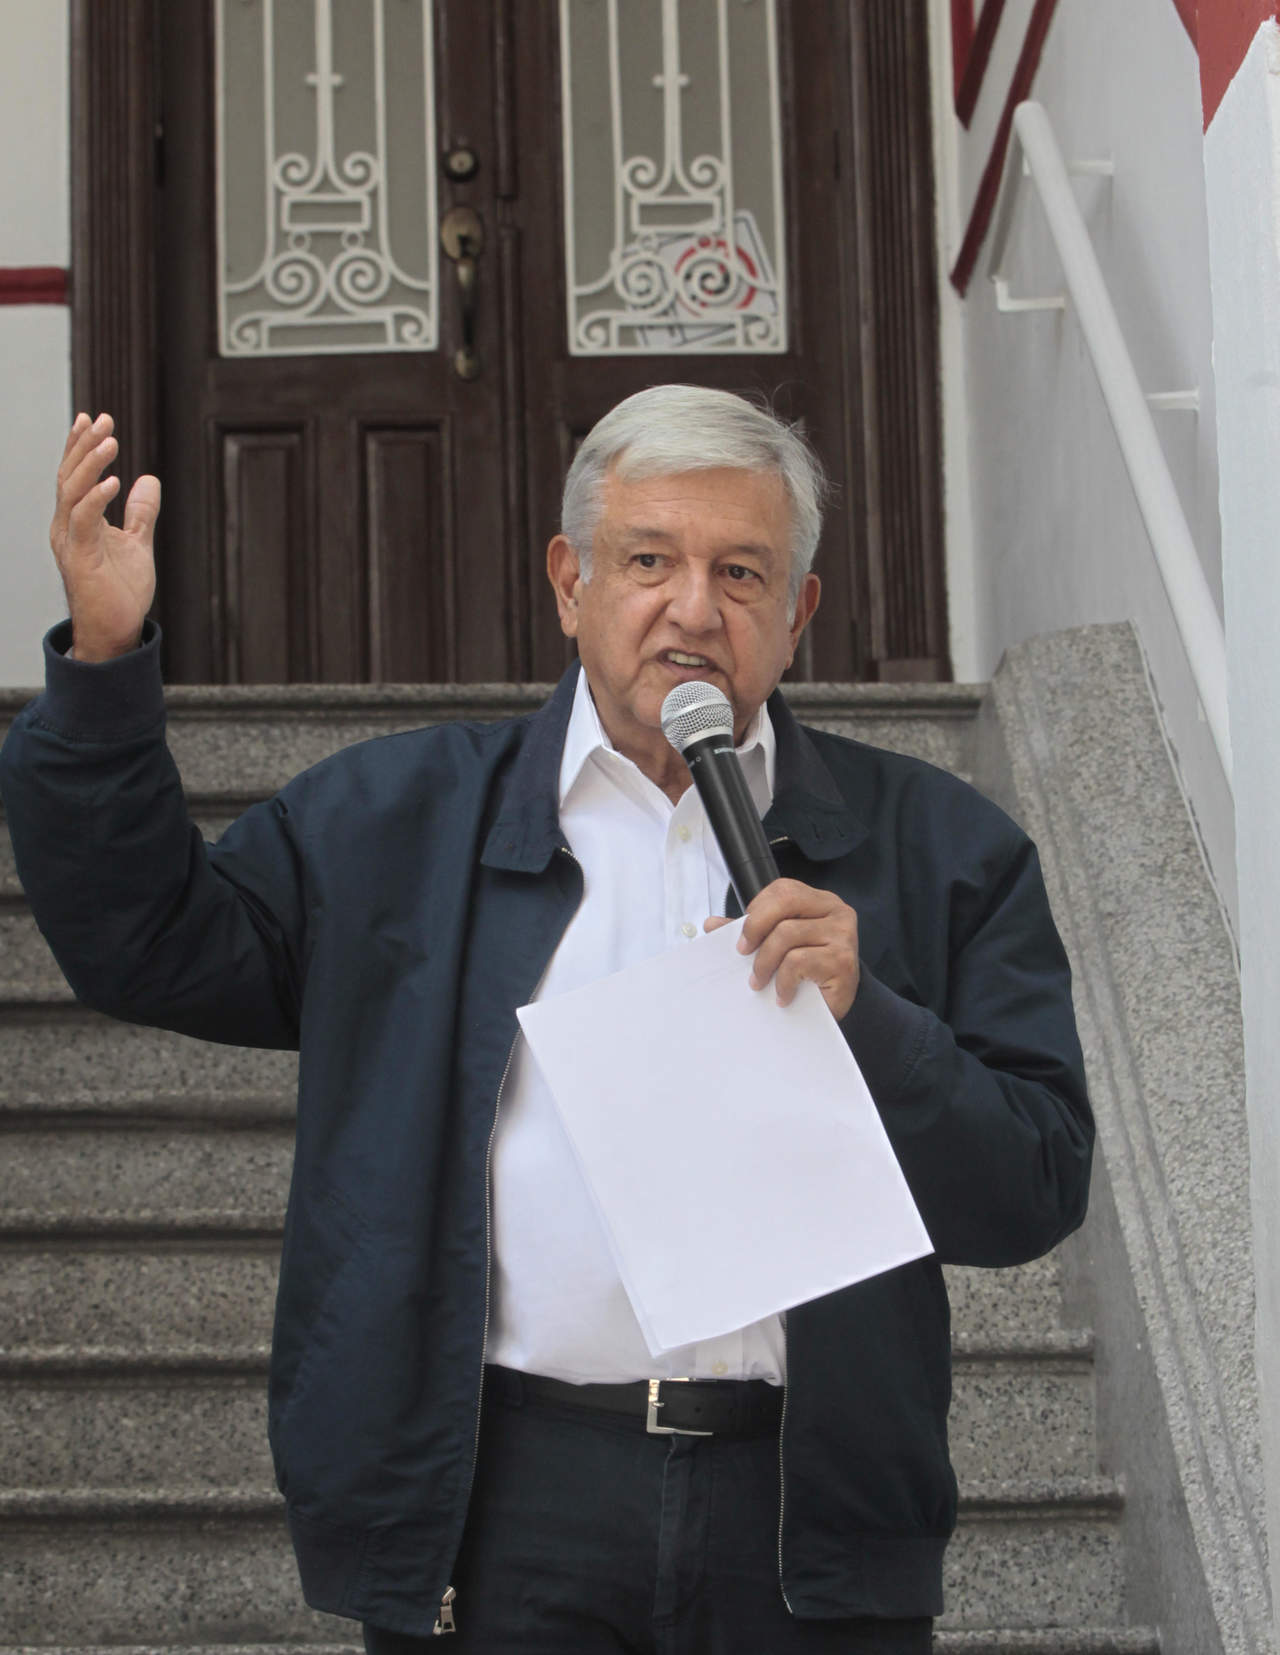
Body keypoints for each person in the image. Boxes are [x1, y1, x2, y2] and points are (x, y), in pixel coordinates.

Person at [0, 386, 1093, 1653]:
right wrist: (103, 663)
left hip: (810, 1518)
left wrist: (875, 1025)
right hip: (505, 1501)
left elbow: (1033, 1184)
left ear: (796, 613)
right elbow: (148, 945)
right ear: (571, 583)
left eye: (740, 572)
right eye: (649, 561)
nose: (694, 608)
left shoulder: (941, 850)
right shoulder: (395, 823)